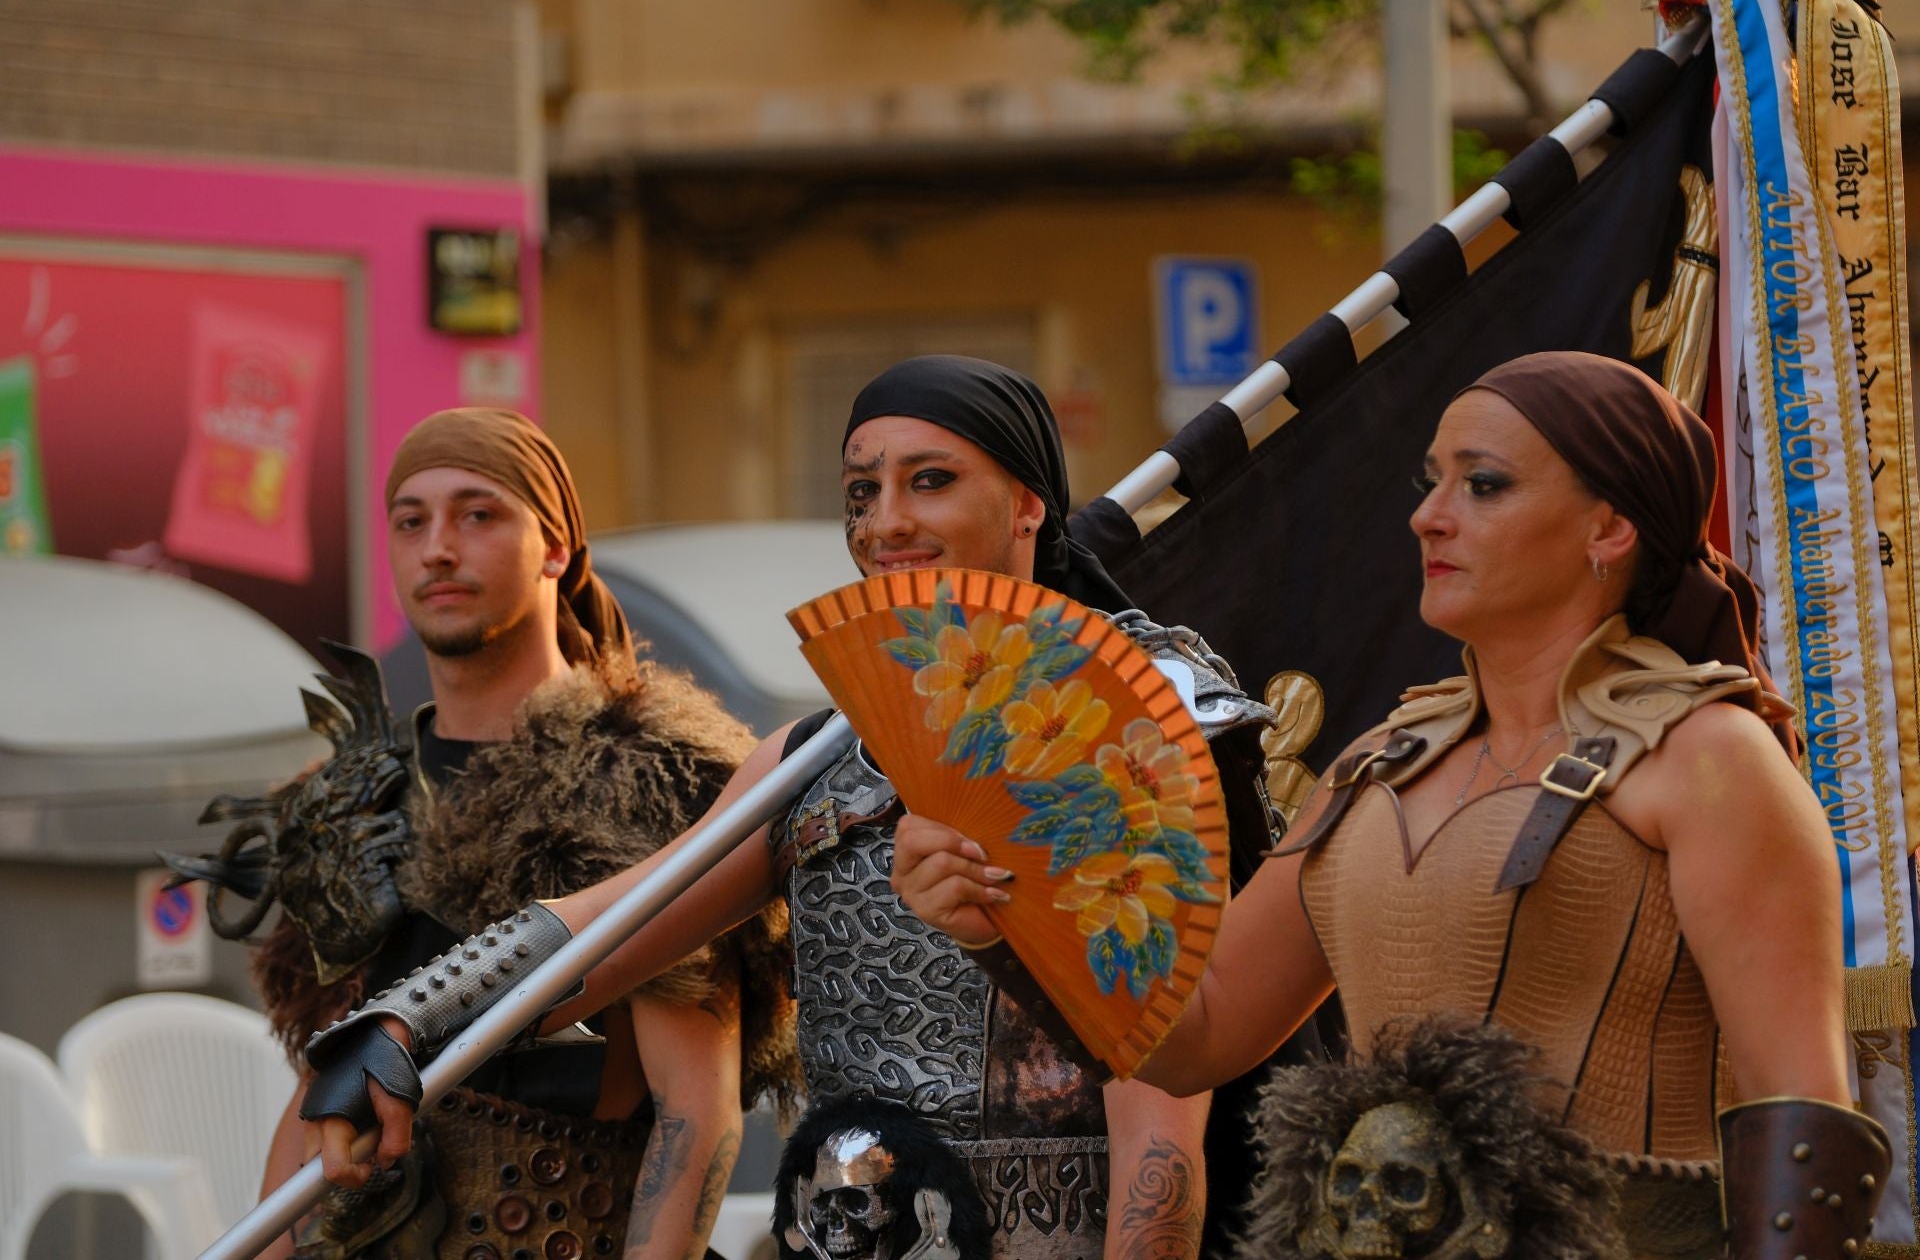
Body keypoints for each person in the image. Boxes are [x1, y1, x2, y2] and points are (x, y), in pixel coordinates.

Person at [893, 351, 1890, 1258]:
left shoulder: (1712, 757)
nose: (1428, 514)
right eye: (1432, 480)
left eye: (1483, 484)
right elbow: (1192, 1034)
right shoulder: (1374, 766)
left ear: (1610, 526)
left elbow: (1804, 1119)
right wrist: (1003, 917)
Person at [297, 357, 1285, 1260]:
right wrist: (401, 1023)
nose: (885, 519)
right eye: (862, 490)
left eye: (930, 479)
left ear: (1029, 505)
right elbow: (609, 929)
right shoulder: (814, 755)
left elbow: (1163, 1123)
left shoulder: (1110, 726)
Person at [175, 408, 798, 1260]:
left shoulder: (639, 774)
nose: (438, 547)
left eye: (478, 514)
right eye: (411, 520)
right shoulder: (359, 792)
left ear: (555, 547)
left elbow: (695, 1108)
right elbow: (328, 1081)